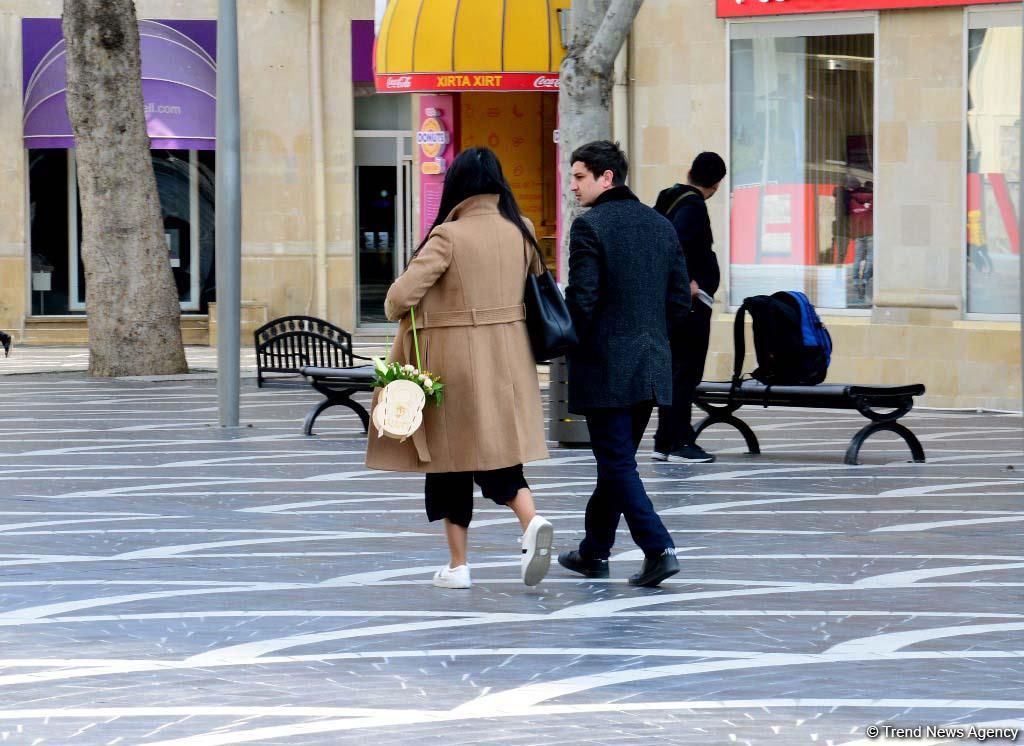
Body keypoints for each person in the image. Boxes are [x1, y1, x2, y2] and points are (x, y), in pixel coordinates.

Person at [365, 147, 553, 591]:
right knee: (499, 453)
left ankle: (459, 565)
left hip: (454, 362)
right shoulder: (522, 231)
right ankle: (532, 519)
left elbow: (398, 300)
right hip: (509, 361)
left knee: (448, 462)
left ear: (459, 186)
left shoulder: (449, 236)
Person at [557, 140, 690, 588]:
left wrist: (562, 335)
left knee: (617, 463)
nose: (572, 185)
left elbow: (584, 301)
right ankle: (594, 551)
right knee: (617, 462)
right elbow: (678, 304)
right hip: (652, 362)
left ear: (605, 177)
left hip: (606, 364)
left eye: (579, 176)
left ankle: (659, 547)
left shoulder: (590, 227)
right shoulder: (661, 225)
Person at [651, 151, 726, 464]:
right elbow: (676, 244)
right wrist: (689, 283)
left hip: (675, 303)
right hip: (690, 306)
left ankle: (665, 439)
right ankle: (679, 442)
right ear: (716, 184)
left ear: (690, 171)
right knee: (686, 373)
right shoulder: (693, 206)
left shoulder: (668, 197)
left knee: (676, 372)